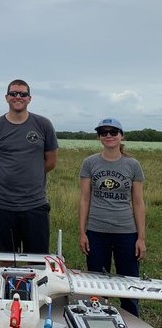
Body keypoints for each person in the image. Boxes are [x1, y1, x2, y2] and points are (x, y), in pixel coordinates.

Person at [78, 118, 146, 317]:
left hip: (126, 232)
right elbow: (84, 199)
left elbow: (138, 202)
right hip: (97, 232)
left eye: (113, 132)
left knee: (129, 285)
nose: (108, 136)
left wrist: (141, 238)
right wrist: (82, 232)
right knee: (97, 284)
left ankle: (131, 320)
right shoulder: (90, 163)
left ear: (121, 135)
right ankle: (98, 318)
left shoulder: (132, 165)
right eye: (103, 132)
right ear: (99, 137)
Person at [0, 79, 58, 254]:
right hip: (2, 204)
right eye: (13, 93)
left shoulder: (43, 125)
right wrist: (6, 176)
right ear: (6, 97)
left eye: (23, 94)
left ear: (29, 98)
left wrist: (32, 175)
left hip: (35, 204)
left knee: (37, 259)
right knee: (6, 257)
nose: (18, 97)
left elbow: (51, 161)